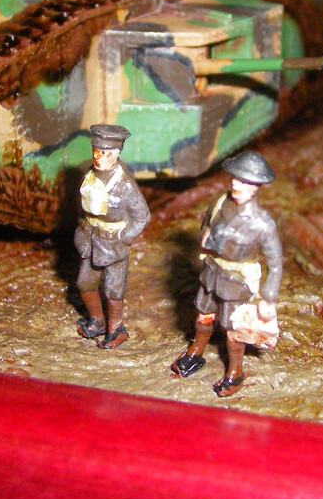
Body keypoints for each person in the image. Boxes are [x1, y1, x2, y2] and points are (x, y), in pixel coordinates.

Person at [172, 151, 283, 397]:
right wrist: (204, 244)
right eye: (235, 178)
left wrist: (268, 298)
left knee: (235, 330)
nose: (236, 184)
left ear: (256, 186)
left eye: (244, 181)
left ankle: (235, 373)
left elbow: (275, 264)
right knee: (203, 315)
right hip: (213, 271)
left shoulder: (262, 223)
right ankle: (195, 353)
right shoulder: (221, 203)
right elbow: (206, 225)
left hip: (237, 283)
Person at [74, 124, 150, 348]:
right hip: (89, 240)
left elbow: (142, 217)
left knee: (113, 290)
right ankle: (97, 321)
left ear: (116, 154)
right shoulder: (89, 175)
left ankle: (116, 329)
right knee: (84, 284)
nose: (99, 157)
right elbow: (81, 205)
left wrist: (124, 238)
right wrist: (82, 226)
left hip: (113, 244)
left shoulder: (125, 185)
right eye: (96, 151)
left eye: (106, 153)